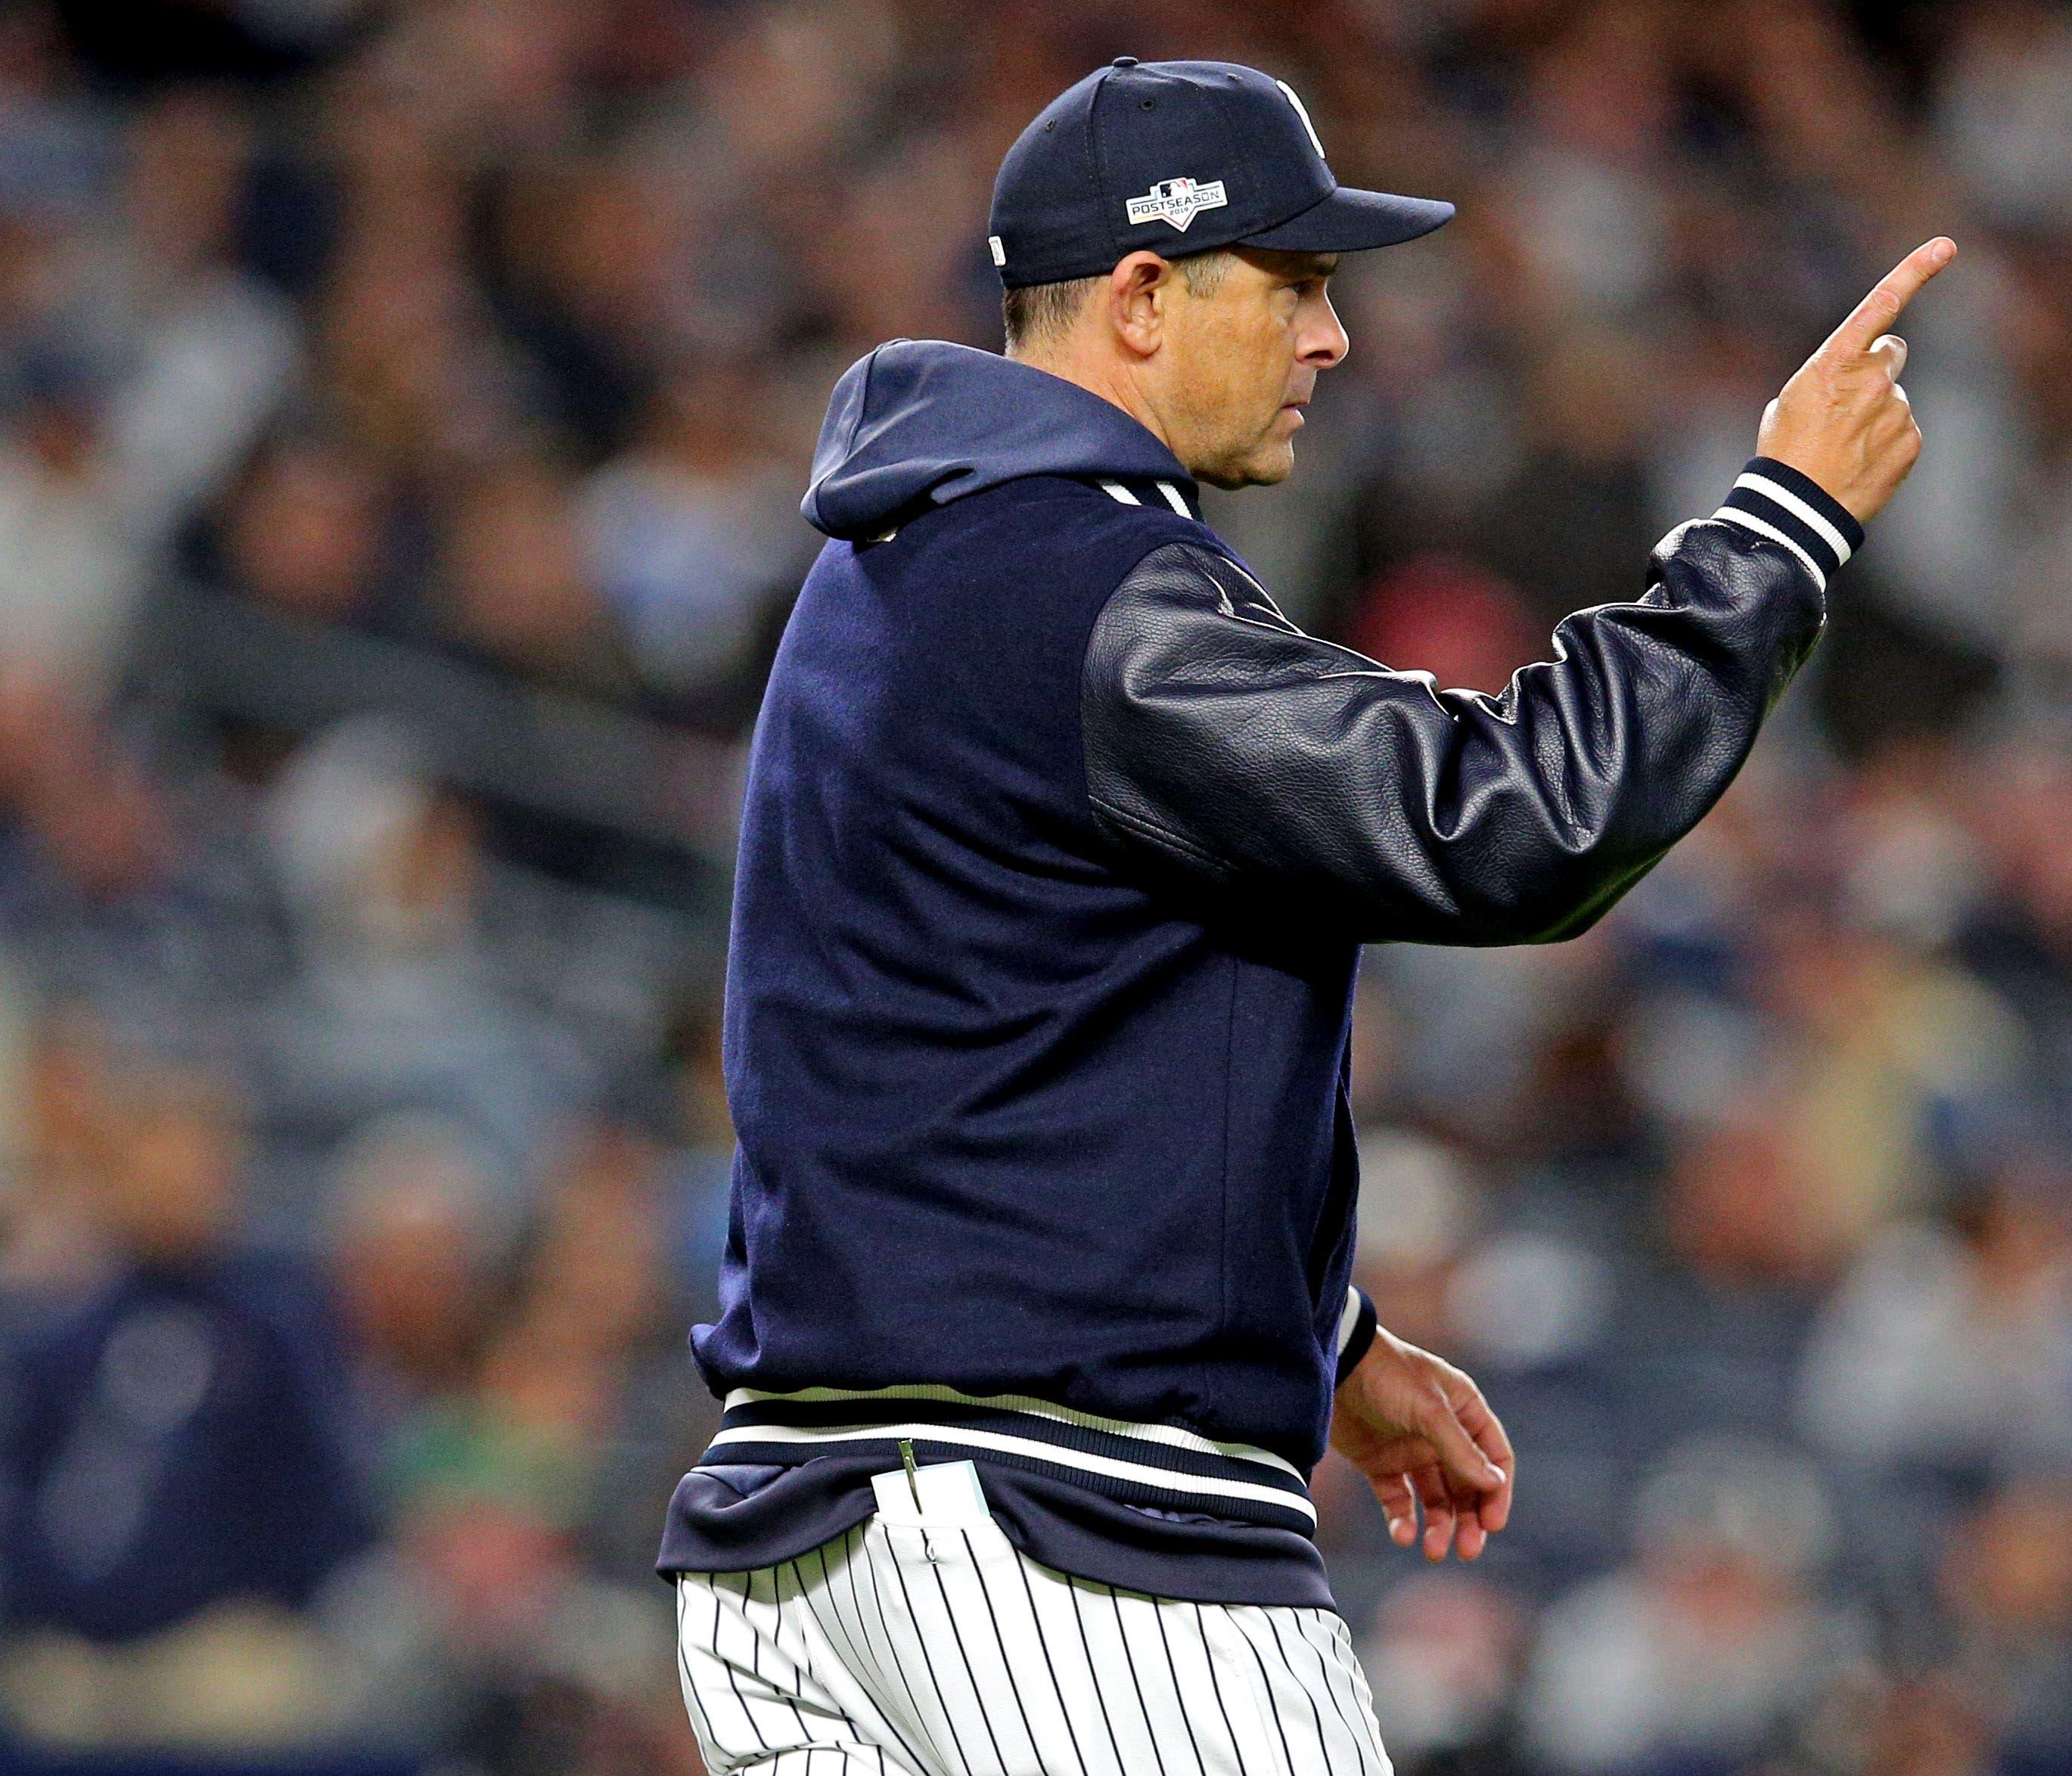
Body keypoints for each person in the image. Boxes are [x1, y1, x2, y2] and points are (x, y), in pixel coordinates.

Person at [657, 55, 1949, 1774]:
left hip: (795, 1552)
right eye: (1295, 283)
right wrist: (1781, 526)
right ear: (1138, 294)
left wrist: (1320, 1337)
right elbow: (1517, 823)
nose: (1332, 338)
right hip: (1071, 1553)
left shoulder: (878, 571)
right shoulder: (1092, 580)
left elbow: (990, 1027)